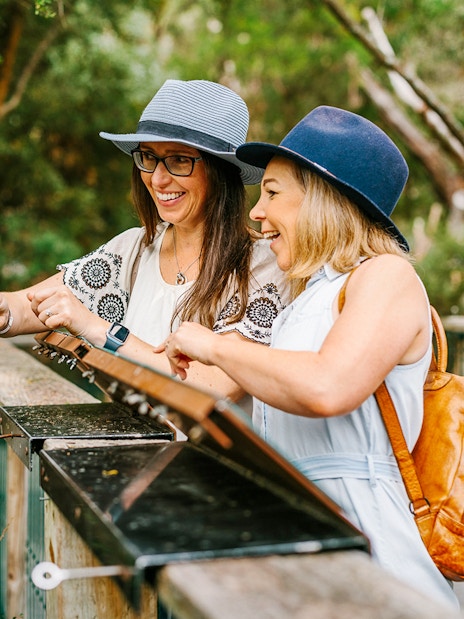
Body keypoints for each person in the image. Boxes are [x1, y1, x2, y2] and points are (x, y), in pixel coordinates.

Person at [160, 105, 459, 610]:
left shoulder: (385, 276)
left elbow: (327, 387)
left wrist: (218, 346)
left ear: (325, 198)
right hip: (302, 543)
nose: (256, 212)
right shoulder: (304, 303)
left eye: (273, 193)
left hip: (372, 550)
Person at [0, 79, 289, 402]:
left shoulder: (264, 266)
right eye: (148, 157)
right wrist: (5, 310)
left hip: (202, 454)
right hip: (126, 450)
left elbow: (212, 387)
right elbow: (31, 304)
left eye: (179, 160)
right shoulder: (134, 250)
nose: (158, 178)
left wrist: (101, 331)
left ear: (220, 172)